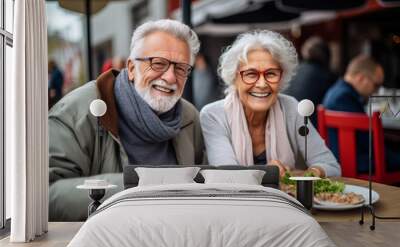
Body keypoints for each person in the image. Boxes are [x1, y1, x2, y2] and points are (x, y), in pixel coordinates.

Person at [49, 19, 205, 221]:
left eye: (181, 68)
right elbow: (47, 194)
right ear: (131, 68)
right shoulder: (77, 112)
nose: (170, 77)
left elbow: (202, 186)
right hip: (102, 244)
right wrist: (138, 189)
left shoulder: (189, 117)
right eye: (158, 63)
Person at [200, 30, 340, 178]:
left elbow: (331, 165)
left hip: (286, 200)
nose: (262, 84)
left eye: (271, 74)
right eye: (251, 74)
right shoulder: (213, 115)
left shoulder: (291, 107)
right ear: (234, 78)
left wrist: (312, 173)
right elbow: (226, 176)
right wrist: (267, 174)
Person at [323, 54, 399, 173]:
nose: (377, 90)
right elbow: (370, 144)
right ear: (360, 78)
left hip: (341, 161)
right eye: (376, 85)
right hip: (356, 164)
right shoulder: (345, 98)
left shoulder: (335, 91)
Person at [284, 36, 336, 126]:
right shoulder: (325, 76)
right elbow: (333, 106)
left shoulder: (293, 71)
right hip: (309, 131)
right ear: (327, 55)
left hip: (285, 125)